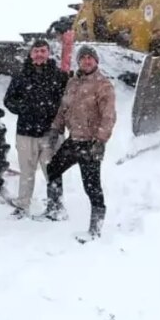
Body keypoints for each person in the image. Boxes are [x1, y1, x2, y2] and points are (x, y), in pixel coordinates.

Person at [43, 45, 116, 240]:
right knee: (53, 170)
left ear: (96, 61)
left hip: (91, 143)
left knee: (92, 186)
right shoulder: (73, 82)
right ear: (79, 61)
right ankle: (55, 209)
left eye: (90, 58)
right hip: (73, 140)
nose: (86, 61)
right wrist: (56, 128)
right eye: (83, 58)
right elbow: (63, 108)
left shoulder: (103, 85)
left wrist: (100, 140)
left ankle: (95, 229)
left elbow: (108, 116)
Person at [2, 39, 69, 217]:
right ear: (31, 54)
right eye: (36, 51)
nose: (39, 54)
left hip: (50, 133)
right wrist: (23, 108)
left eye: (43, 51)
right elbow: (8, 100)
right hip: (26, 132)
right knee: (26, 171)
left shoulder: (58, 76)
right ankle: (23, 206)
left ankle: (56, 207)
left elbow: (67, 102)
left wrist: (56, 118)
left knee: (53, 172)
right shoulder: (21, 75)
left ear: (48, 53)